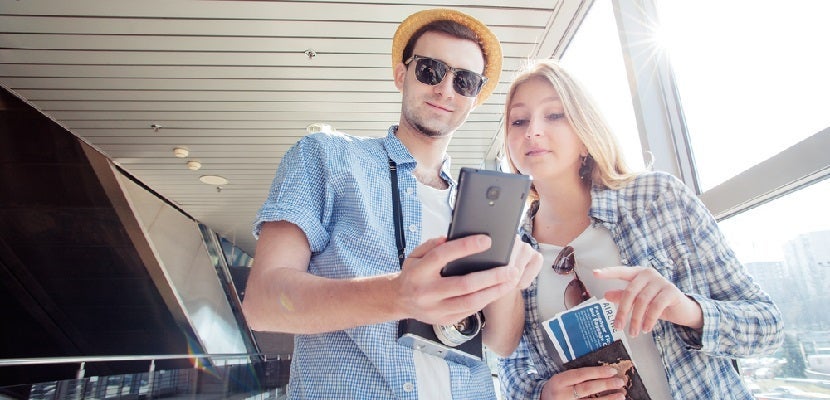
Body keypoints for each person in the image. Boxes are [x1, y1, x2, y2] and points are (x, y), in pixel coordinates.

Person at [241, 8, 542, 400]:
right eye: (431, 70)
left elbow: (501, 343)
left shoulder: (485, 204)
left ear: (475, 99)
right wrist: (397, 294)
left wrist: (505, 275)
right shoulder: (325, 157)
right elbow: (263, 302)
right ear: (401, 74)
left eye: (465, 81)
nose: (446, 89)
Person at [496, 60, 784, 399]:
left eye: (554, 115)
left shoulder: (657, 198)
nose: (532, 131)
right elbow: (511, 364)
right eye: (519, 120)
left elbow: (768, 326)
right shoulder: (511, 247)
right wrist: (543, 395)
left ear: (585, 135)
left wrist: (687, 309)